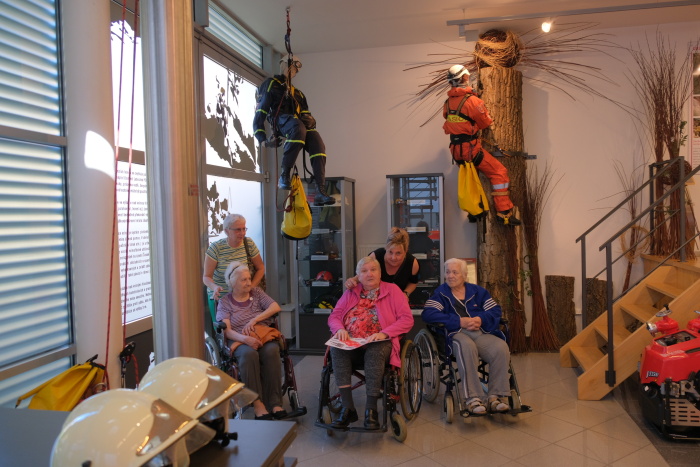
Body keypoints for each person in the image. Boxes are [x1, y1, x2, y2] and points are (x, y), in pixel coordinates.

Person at [328, 256, 414, 429]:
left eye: (373, 270)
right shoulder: (350, 292)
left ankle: (371, 409)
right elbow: (335, 316)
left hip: (380, 340)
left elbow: (407, 319)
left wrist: (384, 333)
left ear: (380, 273)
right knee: (336, 348)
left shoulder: (393, 290)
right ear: (358, 276)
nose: (369, 274)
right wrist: (339, 329)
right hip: (352, 342)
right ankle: (347, 407)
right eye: (364, 271)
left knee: (376, 351)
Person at [421, 258, 511, 415]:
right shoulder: (441, 294)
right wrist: (458, 321)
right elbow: (429, 314)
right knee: (466, 346)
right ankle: (473, 398)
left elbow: (495, 310)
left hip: (480, 332)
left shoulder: (478, 292)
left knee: (500, 347)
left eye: (455, 272)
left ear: (464, 275)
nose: (450, 276)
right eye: (447, 272)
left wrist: (480, 319)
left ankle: (495, 397)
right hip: (455, 334)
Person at [443, 64, 521, 226]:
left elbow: (449, 119)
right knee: (499, 173)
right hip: (471, 150)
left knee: (472, 179)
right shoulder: (473, 101)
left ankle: (475, 211)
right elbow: (485, 122)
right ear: (465, 77)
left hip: (456, 151)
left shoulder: (448, 103)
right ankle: (504, 213)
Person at [253, 55, 335, 206]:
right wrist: (262, 139)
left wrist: (311, 120)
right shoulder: (271, 84)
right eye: (290, 66)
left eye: (295, 69)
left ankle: (320, 190)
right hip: (281, 121)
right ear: (282, 65)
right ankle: (284, 175)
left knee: (318, 144)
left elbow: (305, 114)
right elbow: (260, 113)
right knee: (298, 127)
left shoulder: (298, 94)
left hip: (298, 124)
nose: (292, 71)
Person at [216, 261, 286, 420]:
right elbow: (227, 330)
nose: (249, 282)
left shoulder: (257, 293)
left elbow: (275, 307)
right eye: (244, 280)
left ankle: (275, 402)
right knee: (249, 355)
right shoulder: (225, 302)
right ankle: (257, 403)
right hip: (239, 338)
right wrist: (245, 339)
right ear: (232, 283)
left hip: (261, 334)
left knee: (271, 351)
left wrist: (254, 320)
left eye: (249, 278)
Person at [203, 214, 265, 320]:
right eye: (238, 230)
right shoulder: (216, 248)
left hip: (243, 296)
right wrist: (215, 287)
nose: (242, 233)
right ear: (227, 231)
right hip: (222, 298)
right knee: (224, 327)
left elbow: (261, 268)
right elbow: (206, 277)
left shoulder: (248, 244)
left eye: (244, 229)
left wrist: (251, 287)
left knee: (246, 324)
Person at [344, 227, 420, 299]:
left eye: (398, 253)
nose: (393, 258)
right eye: (390, 252)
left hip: (398, 299)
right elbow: (364, 274)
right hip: (375, 298)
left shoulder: (412, 263)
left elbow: (413, 282)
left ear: (405, 252)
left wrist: (406, 293)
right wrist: (353, 280)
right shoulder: (375, 257)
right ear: (386, 248)